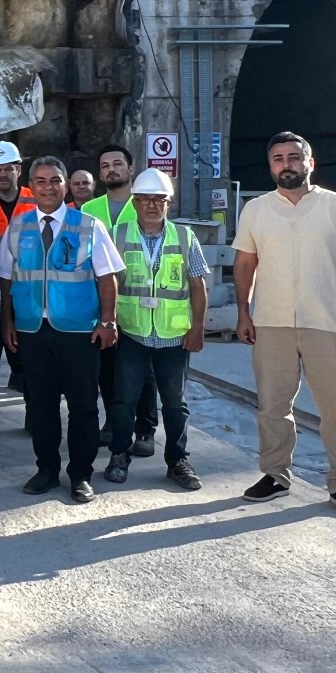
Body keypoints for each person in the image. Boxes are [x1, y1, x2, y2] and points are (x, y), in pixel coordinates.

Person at [233, 131, 336, 519]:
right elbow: (245, 264)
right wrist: (244, 313)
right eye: (278, 159)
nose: (286, 165)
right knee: (273, 406)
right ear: (271, 166)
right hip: (271, 321)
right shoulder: (256, 210)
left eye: (294, 157)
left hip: (326, 321)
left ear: (310, 163)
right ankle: (275, 476)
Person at [0, 156, 122, 503]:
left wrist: (108, 321)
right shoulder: (19, 227)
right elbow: (6, 278)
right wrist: (7, 321)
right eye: (40, 181)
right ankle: (46, 470)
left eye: (55, 180)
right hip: (33, 330)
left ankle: (81, 474)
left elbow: (107, 277)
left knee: (83, 406)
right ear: (31, 186)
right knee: (40, 405)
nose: (48, 187)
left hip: (79, 332)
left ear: (66, 185)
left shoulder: (88, 226)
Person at [104, 168, 208, 491]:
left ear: (168, 204)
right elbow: (107, 282)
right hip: (132, 332)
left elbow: (197, 284)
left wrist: (198, 327)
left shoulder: (184, 236)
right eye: (145, 199)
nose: (152, 205)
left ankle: (177, 460)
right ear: (134, 203)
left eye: (158, 200)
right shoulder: (118, 234)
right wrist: (107, 320)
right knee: (123, 400)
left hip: (173, 335)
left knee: (174, 403)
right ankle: (119, 455)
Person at [81, 144, 158, 454]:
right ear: (100, 174)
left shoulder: (144, 205)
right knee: (107, 367)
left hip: (138, 300)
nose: (111, 169)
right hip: (102, 302)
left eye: (117, 163)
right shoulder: (88, 209)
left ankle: (145, 429)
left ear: (130, 170)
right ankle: (113, 422)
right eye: (105, 165)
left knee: (144, 369)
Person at [0, 140, 36, 406]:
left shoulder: (36, 199)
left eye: (8, 169)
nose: (3, 174)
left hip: (27, 289)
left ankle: (33, 416)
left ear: (18, 170)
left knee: (28, 359)